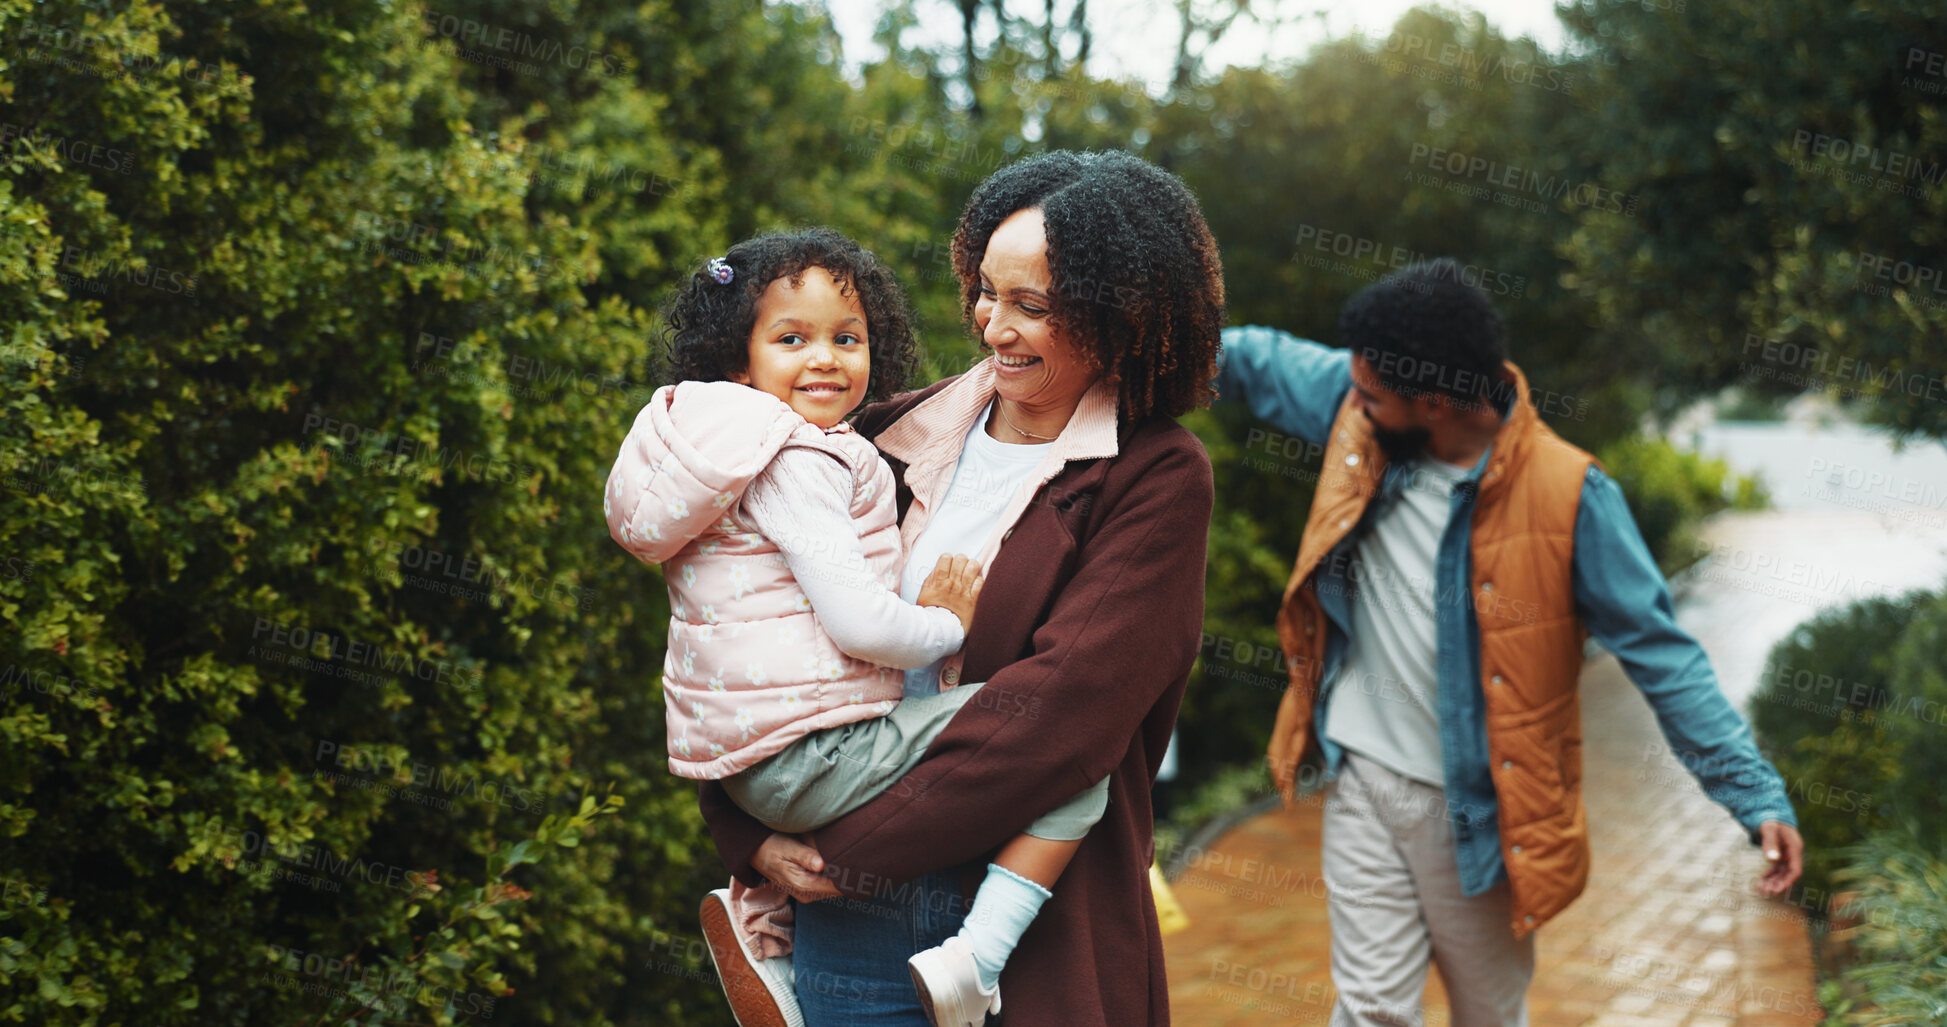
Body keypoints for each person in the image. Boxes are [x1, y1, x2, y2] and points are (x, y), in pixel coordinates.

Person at [694, 149, 1226, 1026]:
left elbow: (1063, 718)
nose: (992, 327)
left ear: (1120, 316)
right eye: (986, 291)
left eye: (1033, 307)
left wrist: (839, 849)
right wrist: (746, 830)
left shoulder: (1155, 475)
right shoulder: (881, 433)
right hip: (849, 933)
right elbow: (735, 623)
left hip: (1031, 929)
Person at [1214, 258, 1807, 1026]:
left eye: (1369, 395)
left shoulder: (1571, 495)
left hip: (1481, 814)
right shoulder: (1360, 404)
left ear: (1432, 401)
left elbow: (1663, 657)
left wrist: (1752, 793)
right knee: (1370, 1012)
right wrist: (1121, 348)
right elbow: (1253, 358)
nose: (1350, 404)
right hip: (1364, 780)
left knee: (1487, 1013)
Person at [604, 227, 1112, 1027]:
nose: (826, 359)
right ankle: (976, 959)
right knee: (1073, 750)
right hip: (815, 754)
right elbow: (858, 622)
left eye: (848, 338)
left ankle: (768, 946)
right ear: (739, 360)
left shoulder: (722, 454)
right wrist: (945, 623)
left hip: (751, 760)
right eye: (791, 339)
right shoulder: (799, 458)